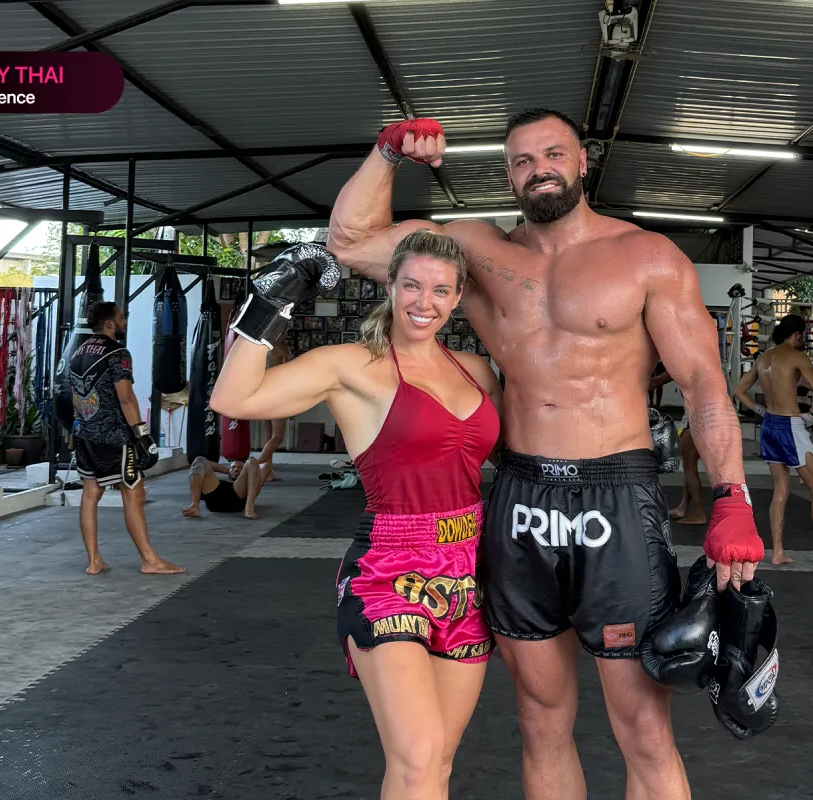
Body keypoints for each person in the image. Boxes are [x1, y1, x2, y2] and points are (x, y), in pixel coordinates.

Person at [325, 110, 764, 800]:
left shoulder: (647, 257)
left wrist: (731, 497)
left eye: (552, 154)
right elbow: (351, 245)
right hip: (521, 498)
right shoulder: (472, 249)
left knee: (645, 730)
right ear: (509, 174)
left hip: (617, 501)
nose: (539, 170)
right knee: (539, 721)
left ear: (583, 161)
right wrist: (387, 154)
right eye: (523, 161)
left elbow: (704, 382)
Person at [210, 231, 503, 798]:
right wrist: (271, 300)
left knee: (436, 762)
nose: (425, 301)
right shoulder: (353, 366)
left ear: (459, 295)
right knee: (417, 756)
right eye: (412, 285)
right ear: (390, 287)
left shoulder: (476, 371)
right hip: (388, 573)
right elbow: (232, 399)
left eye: (441, 290)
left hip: (468, 575)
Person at [67, 301, 184, 577]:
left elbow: (75, 395)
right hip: (114, 436)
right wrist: (141, 433)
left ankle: (94, 561)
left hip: (84, 432)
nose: (125, 322)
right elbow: (126, 397)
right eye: (121, 318)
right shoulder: (117, 352)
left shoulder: (77, 352)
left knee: (91, 492)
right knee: (134, 492)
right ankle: (149, 560)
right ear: (109, 323)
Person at [734, 315, 813, 569]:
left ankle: (777, 552)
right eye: (802, 335)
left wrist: (761, 411)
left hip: (770, 425)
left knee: (780, 489)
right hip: (790, 427)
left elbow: (738, 390)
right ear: (797, 334)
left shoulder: (763, 358)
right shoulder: (797, 356)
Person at [182, 456, 272, 520]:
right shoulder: (219, 482)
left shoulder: (251, 484)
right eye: (233, 467)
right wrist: (228, 471)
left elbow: (266, 466)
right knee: (199, 460)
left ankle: (249, 507)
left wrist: (252, 468)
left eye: (240, 467)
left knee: (252, 461)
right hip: (214, 496)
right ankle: (194, 505)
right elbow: (206, 463)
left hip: (236, 496)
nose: (236, 469)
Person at [257, 336, 292, 480]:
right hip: (276, 395)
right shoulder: (282, 348)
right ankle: (255, 467)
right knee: (277, 436)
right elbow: (287, 374)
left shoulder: (261, 348)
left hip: (262, 393)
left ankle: (267, 470)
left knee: (268, 435)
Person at [668, 414, 706, 525]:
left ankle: (699, 513)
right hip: (723, 421)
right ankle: (683, 507)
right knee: (689, 467)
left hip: (697, 420)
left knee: (689, 466)